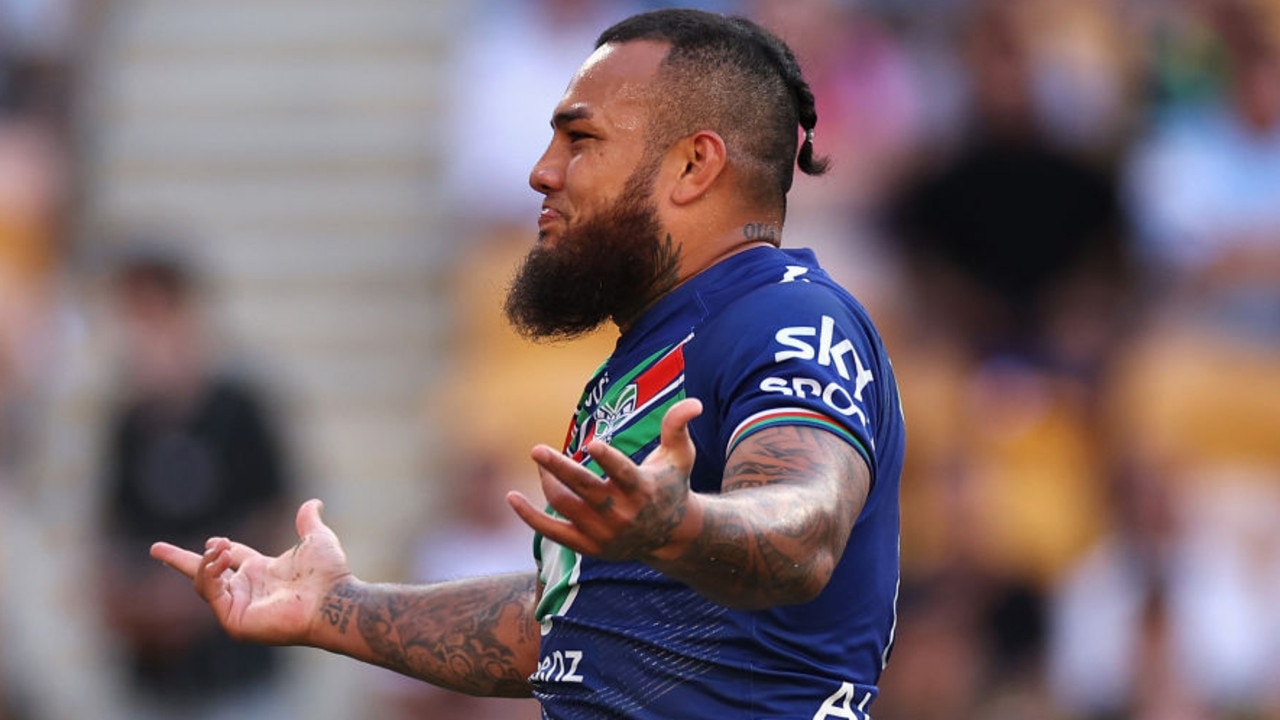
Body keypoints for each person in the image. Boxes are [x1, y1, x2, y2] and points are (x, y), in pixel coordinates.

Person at [150, 9, 905, 719]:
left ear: (693, 165)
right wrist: (338, 609)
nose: (542, 172)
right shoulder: (650, 353)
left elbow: (805, 523)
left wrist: (682, 523)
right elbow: (569, 623)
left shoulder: (788, 317)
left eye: (580, 140)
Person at [97, 245, 295, 720]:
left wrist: (196, 594)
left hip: (239, 671)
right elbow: (111, 532)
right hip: (154, 675)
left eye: (153, 313)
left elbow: (275, 513)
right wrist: (130, 600)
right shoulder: (128, 423)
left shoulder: (240, 409)